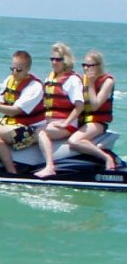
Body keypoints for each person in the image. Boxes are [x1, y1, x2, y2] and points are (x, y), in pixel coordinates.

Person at [0, 50, 45, 173]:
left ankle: (11, 171)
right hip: (12, 122)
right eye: (12, 68)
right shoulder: (9, 80)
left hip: (31, 129)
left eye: (19, 70)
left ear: (28, 69)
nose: (14, 72)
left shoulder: (34, 87)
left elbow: (15, 111)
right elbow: (4, 103)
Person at [34, 42, 84, 178]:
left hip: (67, 125)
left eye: (58, 59)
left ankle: (50, 167)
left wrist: (65, 123)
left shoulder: (72, 80)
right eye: (52, 59)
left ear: (66, 61)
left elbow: (79, 106)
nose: (54, 62)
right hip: (50, 122)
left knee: (41, 132)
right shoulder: (50, 77)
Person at [68, 50, 116, 170]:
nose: (86, 68)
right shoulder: (81, 79)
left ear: (98, 66)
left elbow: (95, 105)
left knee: (73, 141)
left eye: (90, 66)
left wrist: (90, 83)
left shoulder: (107, 81)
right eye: (84, 65)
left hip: (97, 122)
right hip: (82, 120)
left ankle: (106, 158)